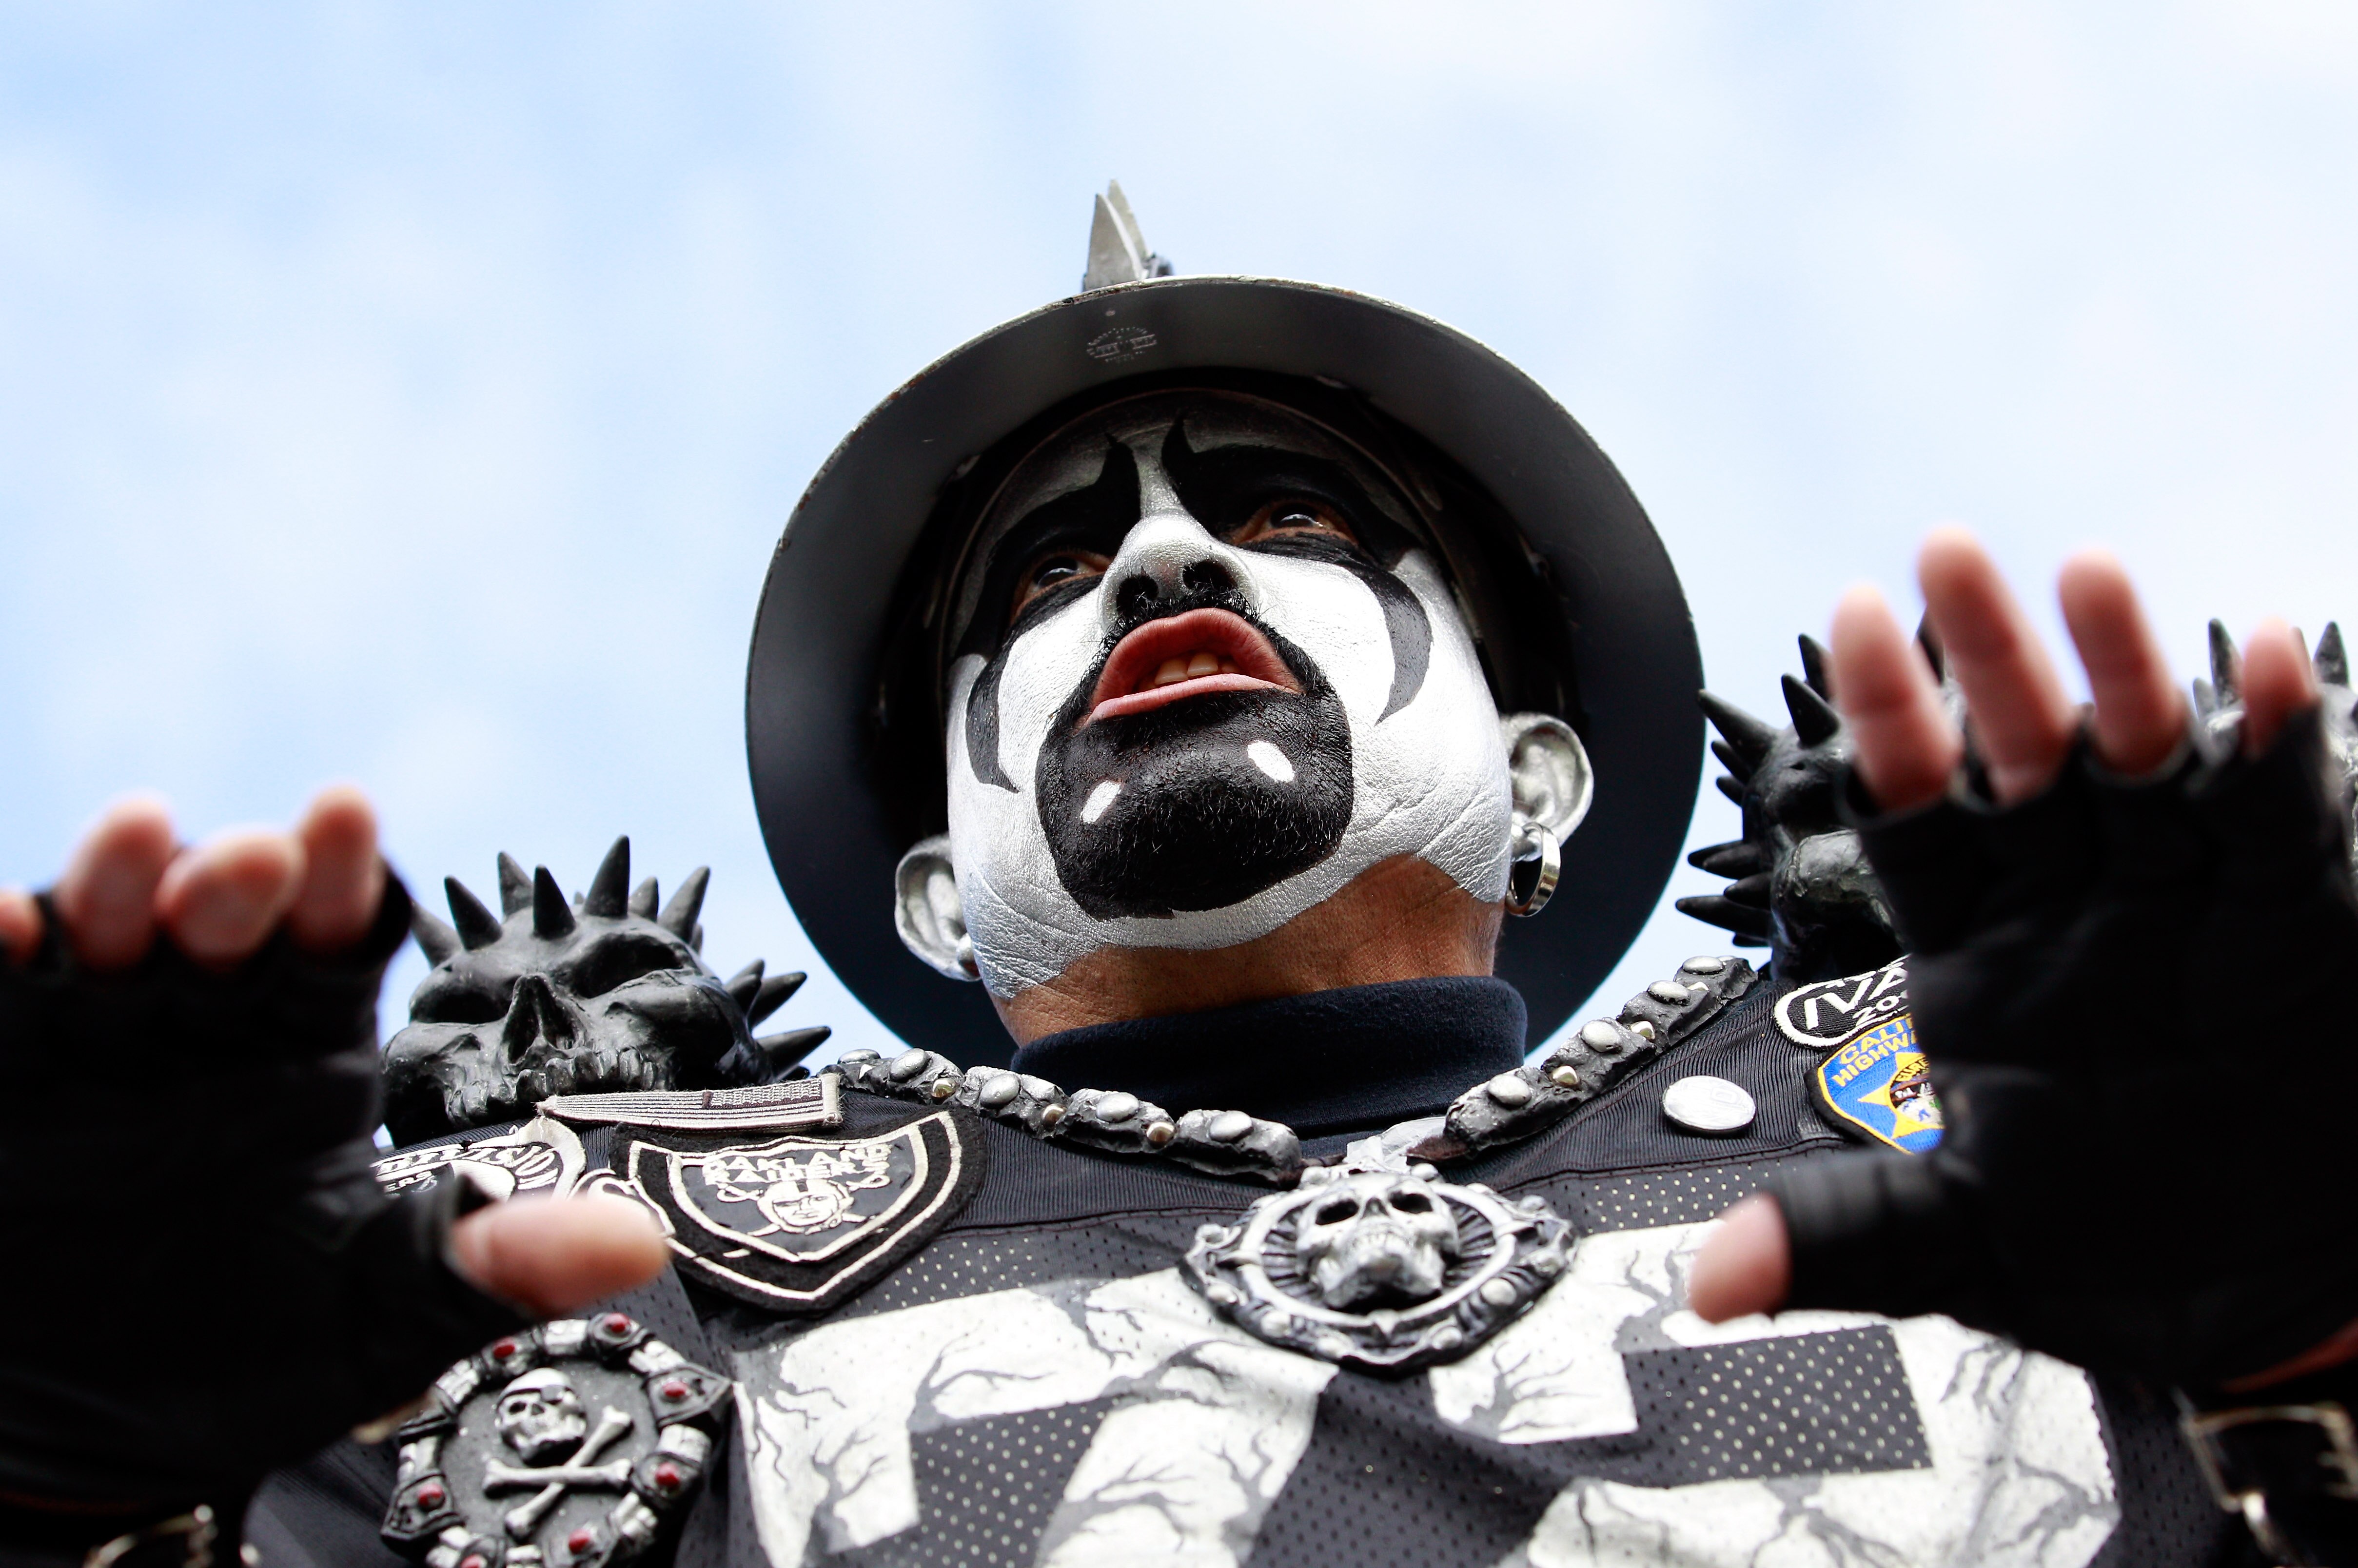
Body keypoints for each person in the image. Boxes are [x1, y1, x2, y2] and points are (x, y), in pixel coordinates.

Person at [3, 189, 2353, 1568]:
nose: (1157, 553)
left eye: (1301, 518)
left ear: (1539, 771)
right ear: (937, 889)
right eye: (1040, 571)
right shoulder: (572, 1241)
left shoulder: (1970, 1102)